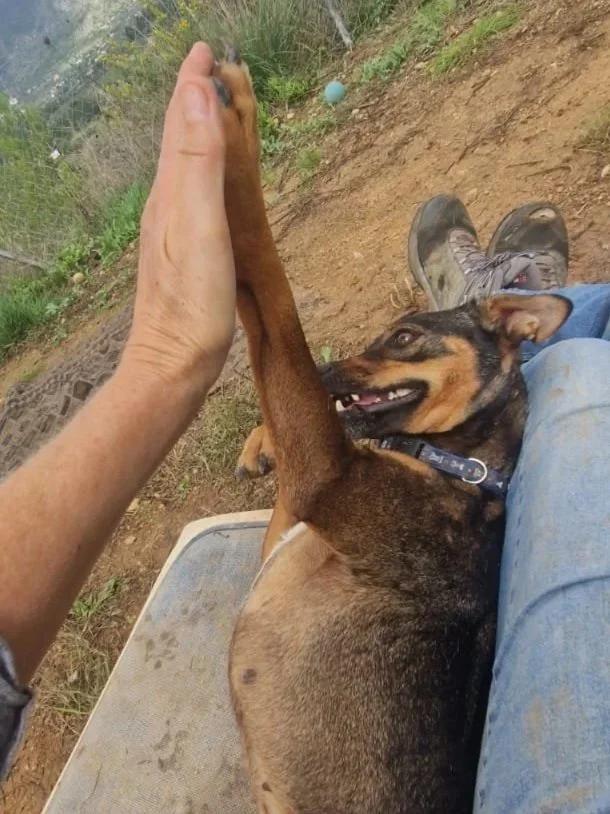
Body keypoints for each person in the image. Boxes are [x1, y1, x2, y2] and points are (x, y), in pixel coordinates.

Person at [0, 43, 608, 811]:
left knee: (579, 353)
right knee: (581, 357)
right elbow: (318, 493)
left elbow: (317, 483)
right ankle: (517, 306)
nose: (362, 363)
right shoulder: (459, 521)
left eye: (404, 342)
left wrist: (246, 219)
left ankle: (503, 307)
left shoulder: (443, 518)